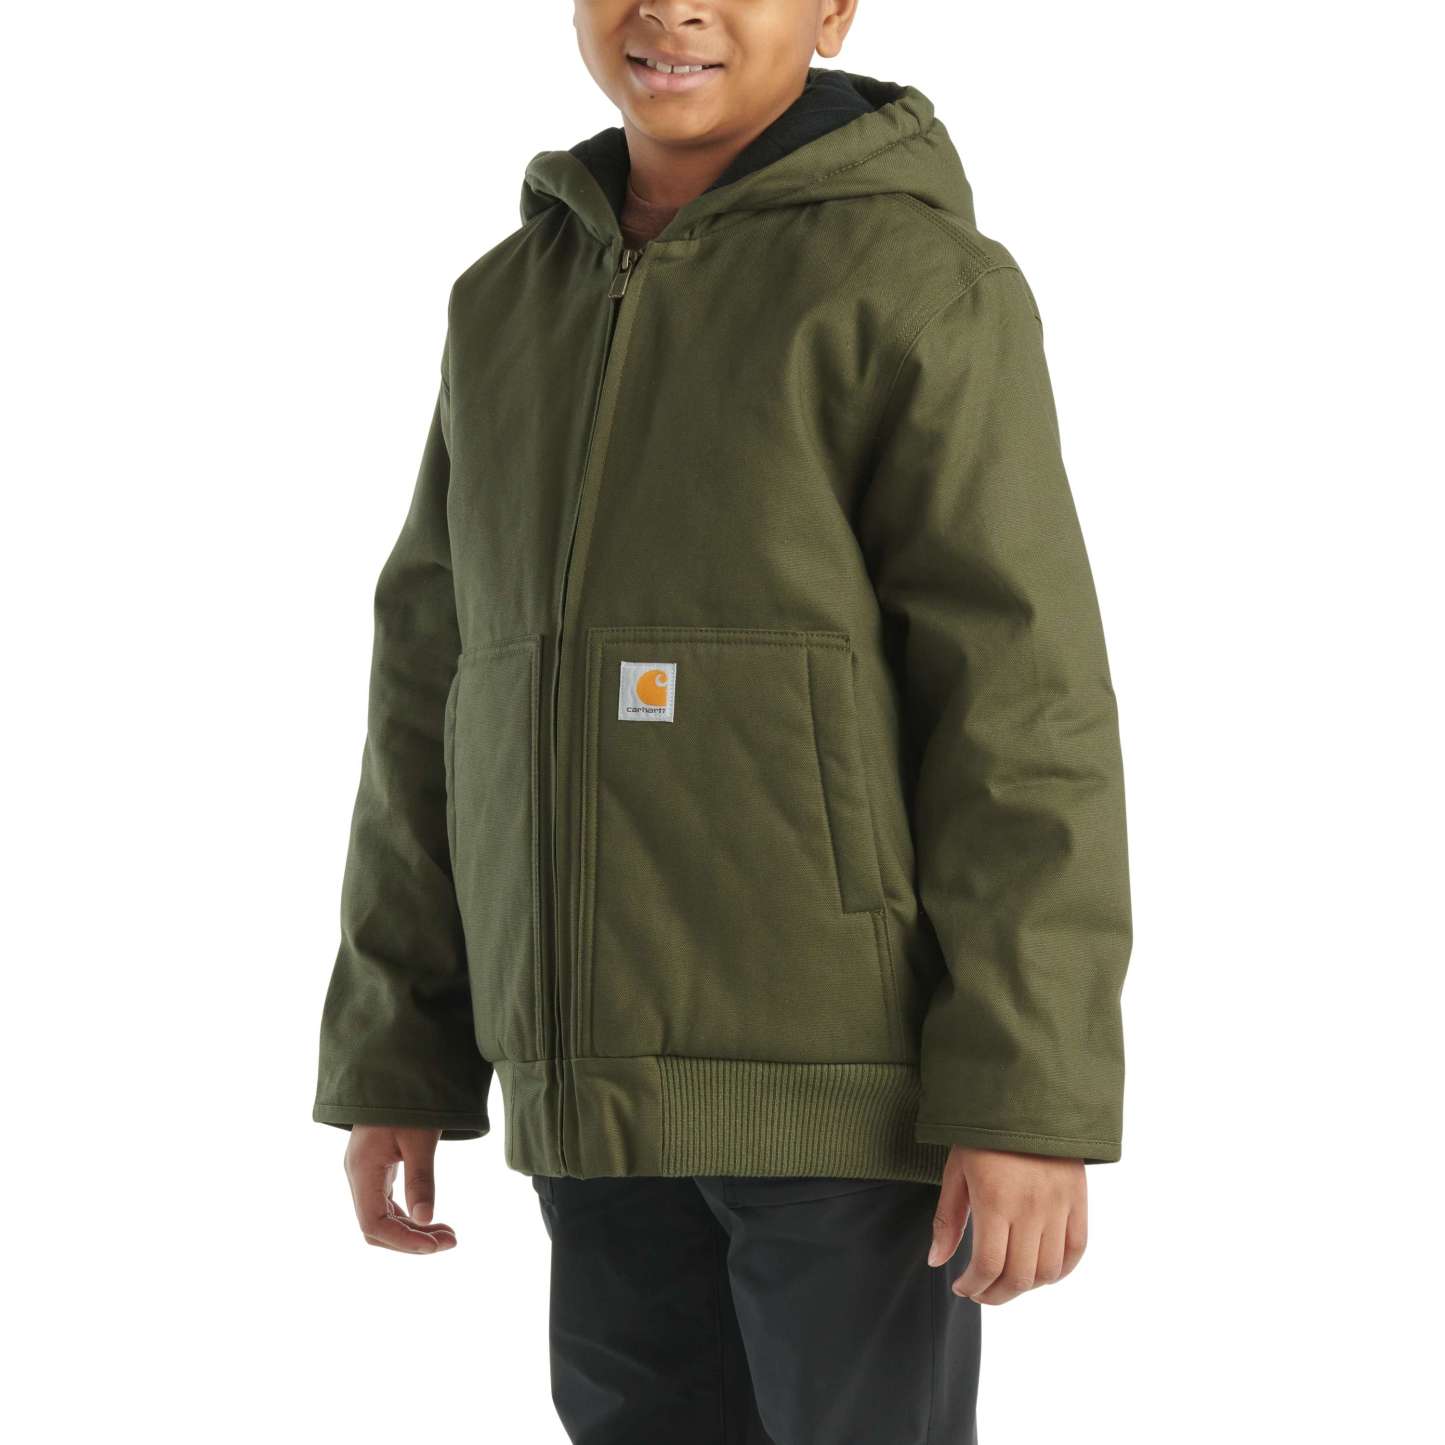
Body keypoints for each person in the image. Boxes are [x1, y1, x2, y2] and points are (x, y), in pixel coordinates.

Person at [312, 2, 1131, 1440]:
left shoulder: (915, 283)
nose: (673, 8)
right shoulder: (505, 303)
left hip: (847, 1102)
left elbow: (1021, 707)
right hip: (588, 1090)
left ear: (832, 10)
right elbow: (438, 687)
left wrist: (1027, 1093)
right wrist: (401, 1048)